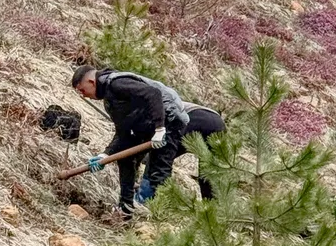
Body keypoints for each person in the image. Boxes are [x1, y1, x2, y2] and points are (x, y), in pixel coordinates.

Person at [71, 66, 187, 220]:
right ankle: (125, 210)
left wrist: (160, 129)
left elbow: (153, 94)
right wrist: (105, 154)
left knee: (159, 168)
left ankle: (158, 217)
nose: (83, 95)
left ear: (91, 82)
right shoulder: (110, 101)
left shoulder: (117, 83)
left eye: (82, 90)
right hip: (146, 125)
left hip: (170, 120)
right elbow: (123, 133)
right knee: (125, 158)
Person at [135, 102, 226, 202]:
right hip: (217, 122)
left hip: (189, 118)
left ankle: (146, 201)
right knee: (209, 175)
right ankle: (211, 209)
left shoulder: (144, 117)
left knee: (157, 163)